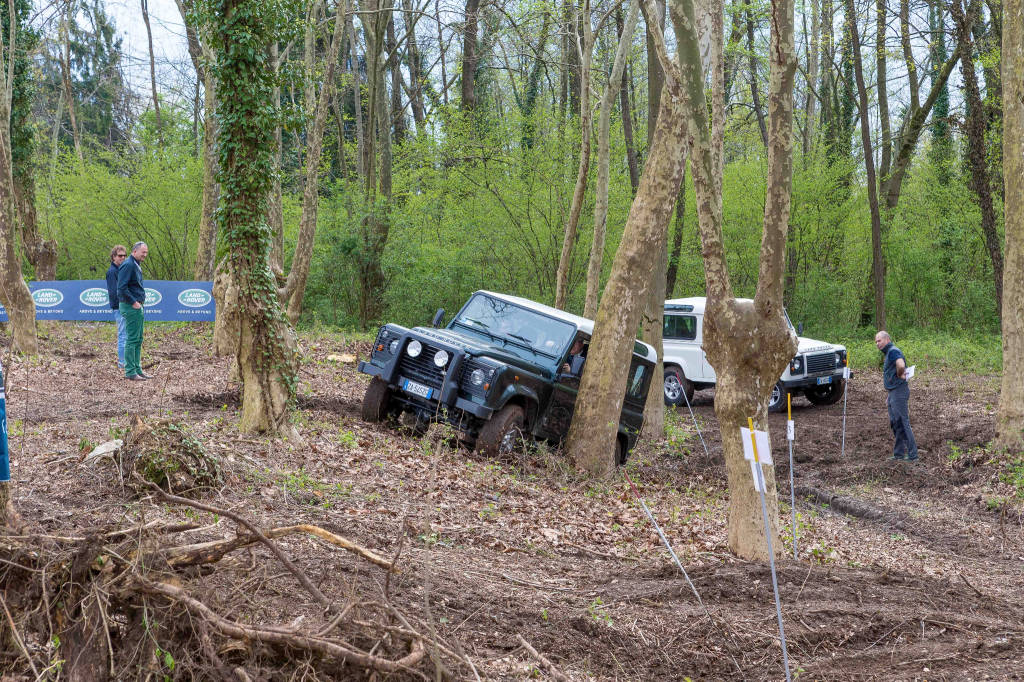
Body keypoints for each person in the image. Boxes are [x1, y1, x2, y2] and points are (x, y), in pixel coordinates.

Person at [875, 330, 918, 462]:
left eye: (879, 341)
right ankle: (899, 454)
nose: (877, 344)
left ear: (887, 340)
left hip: (899, 391)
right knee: (896, 423)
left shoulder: (893, 351)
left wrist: (900, 374)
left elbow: (900, 364)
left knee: (903, 422)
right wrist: (890, 395)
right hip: (894, 392)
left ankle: (913, 455)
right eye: (876, 342)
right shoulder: (888, 353)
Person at [118, 242, 151, 382]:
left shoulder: (136, 264)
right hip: (130, 306)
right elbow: (121, 288)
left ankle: (137, 369)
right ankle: (130, 371)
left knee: (138, 339)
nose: (145, 255)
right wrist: (134, 302)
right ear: (135, 251)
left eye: (146, 253)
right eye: (143, 252)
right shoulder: (128, 264)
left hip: (137, 307)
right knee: (132, 339)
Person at [106, 245, 128, 370]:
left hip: (124, 306)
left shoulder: (121, 270)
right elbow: (114, 293)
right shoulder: (112, 272)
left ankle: (126, 362)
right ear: (114, 257)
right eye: (120, 256)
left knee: (127, 335)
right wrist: (124, 303)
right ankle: (122, 364)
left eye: (124, 255)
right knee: (123, 336)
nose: (123, 258)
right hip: (119, 307)